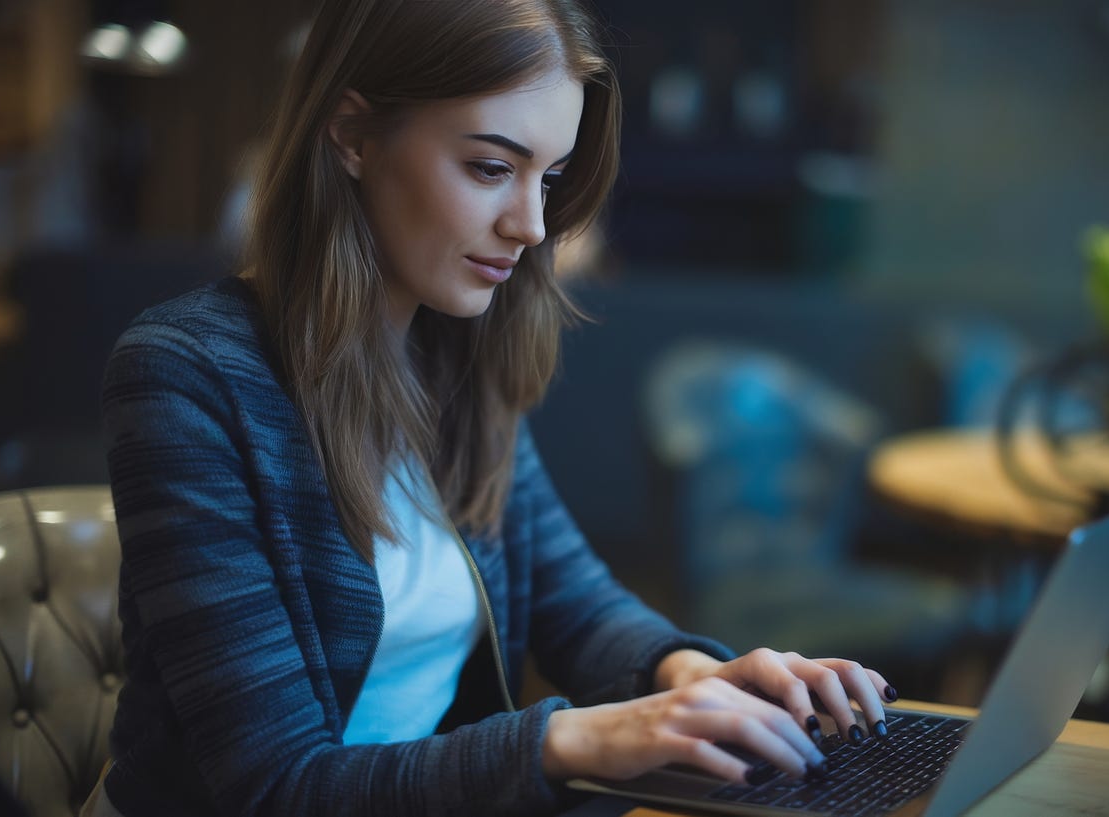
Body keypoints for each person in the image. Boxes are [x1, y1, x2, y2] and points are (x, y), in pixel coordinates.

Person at [88, 1, 897, 815]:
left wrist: (691, 674)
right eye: (488, 167)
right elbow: (274, 785)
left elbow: (575, 604)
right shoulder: (185, 374)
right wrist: (577, 738)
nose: (533, 225)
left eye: (548, 178)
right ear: (351, 135)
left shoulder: (454, 356)